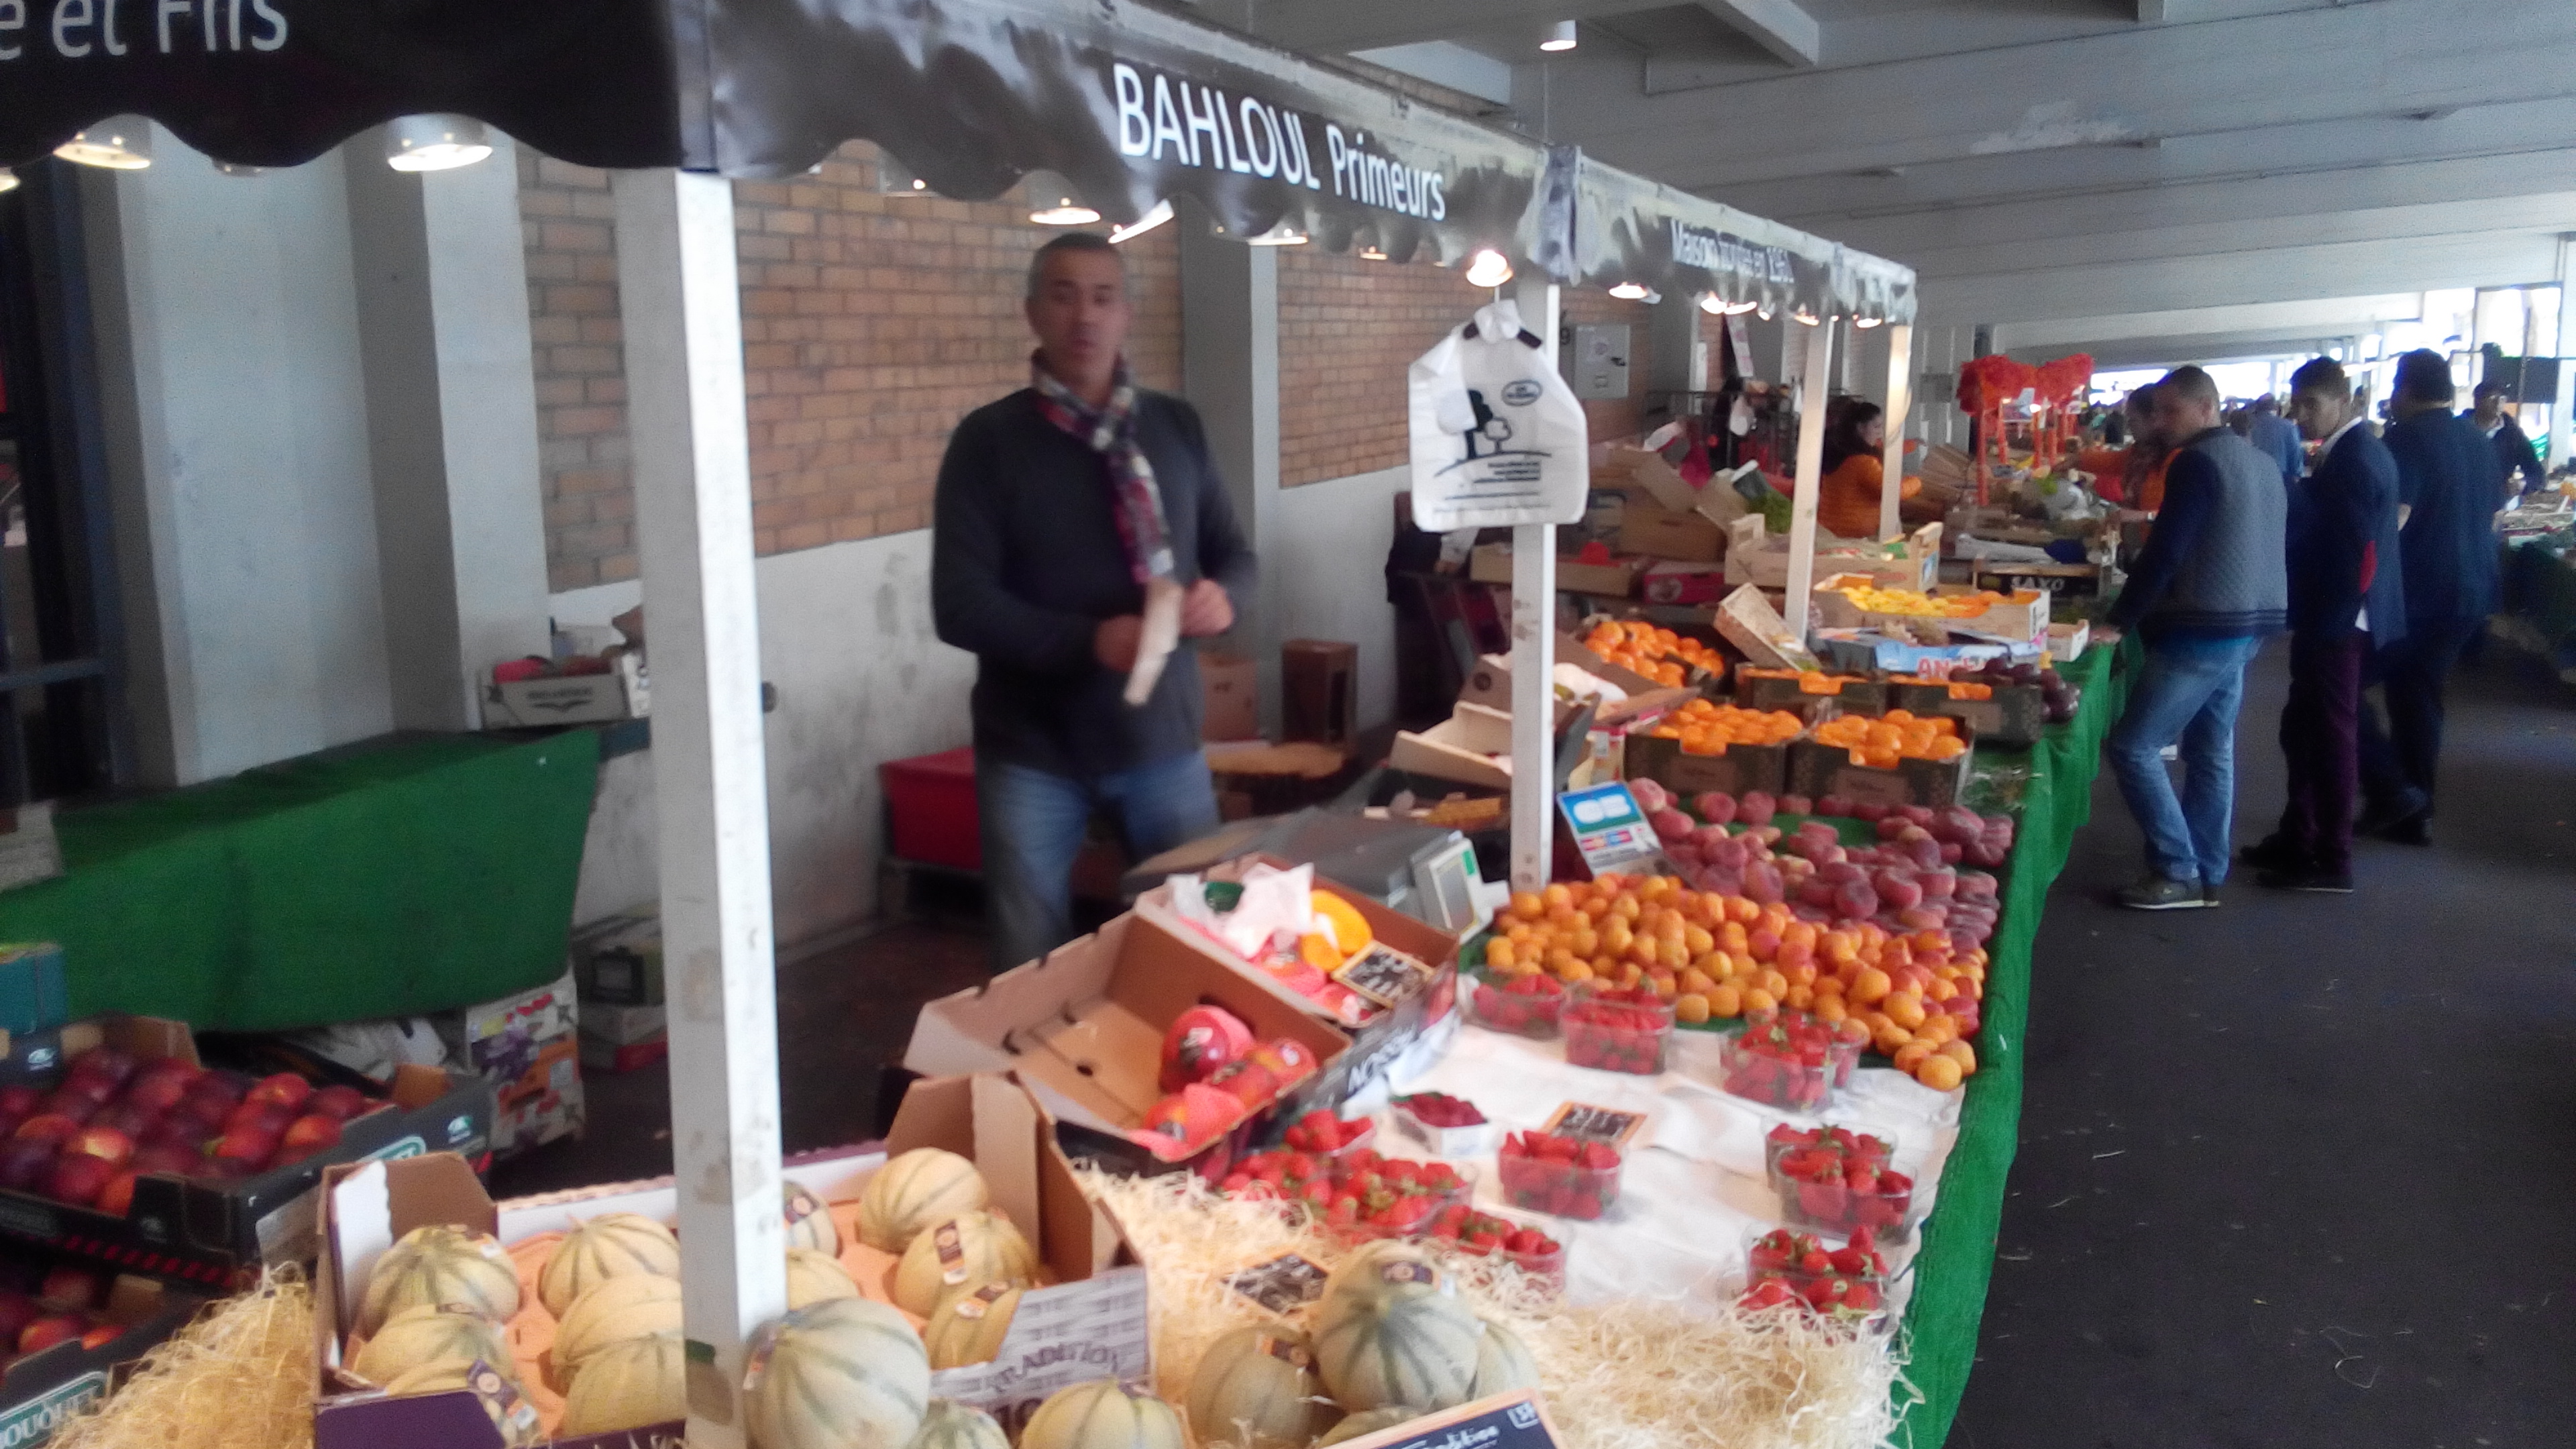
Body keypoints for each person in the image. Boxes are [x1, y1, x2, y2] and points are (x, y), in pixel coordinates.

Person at [933, 233, 1257, 972]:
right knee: (1028, 964)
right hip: (1032, 757)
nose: (1085, 315)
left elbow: (1237, 555)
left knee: (1196, 949)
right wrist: (1090, 641)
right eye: (1064, 294)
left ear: (1126, 314)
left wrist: (1226, 599)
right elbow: (959, 605)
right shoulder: (988, 444)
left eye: (1103, 297)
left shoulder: (1177, 427)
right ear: (1032, 314)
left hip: (1162, 747)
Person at [2096, 366, 2289, 910]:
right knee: (2211, 749)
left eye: (2170, 411)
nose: (2159, 421)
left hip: (2205, 626)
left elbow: (2167, 551)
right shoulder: (2262, 463)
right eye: (2155, 411)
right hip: (2252, 625)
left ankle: (2177, 868)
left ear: (2208, 407)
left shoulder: (2197, 464)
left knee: (2134, 746)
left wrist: (2119, 621)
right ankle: (2208, 868)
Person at [2241, 359, 2405, 892]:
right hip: (2333, 617)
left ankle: (2331, 857)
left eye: (2312, 403)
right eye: (2298, 402)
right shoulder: (2352, 453)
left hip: (2339, 623)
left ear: (2345, 402)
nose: (2301, 414)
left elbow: (2358, 556)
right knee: (2303, 730)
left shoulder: (2355, 460)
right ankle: (2300, 835)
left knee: (2331, 737)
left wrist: (2327, 626)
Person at [2352, 350, 2503, 845]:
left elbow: (2395, 515)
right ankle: (2414, 810)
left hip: (2419, 591)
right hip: (2471, 591)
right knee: (2420, 699)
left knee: (2338, 687)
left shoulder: (2407, 437)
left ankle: (2395, 790)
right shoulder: (2477, 440)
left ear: (2403, 389)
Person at [1816, 400, 1934, 539]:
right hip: (1854, 536)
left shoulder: (1838, 454)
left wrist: (1912, 445)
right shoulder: (1863, 462)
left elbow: (1886, 448)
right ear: (1860, 428)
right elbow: (1894, 492)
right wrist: (1917, 481)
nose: (1880, 432)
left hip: (1830, 532)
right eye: (1876, 426)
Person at [2471, 379, 2548, 496]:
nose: (2498, 404)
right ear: (2477, 401)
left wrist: (2523, 484)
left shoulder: (2513, 434)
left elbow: (2536, 472)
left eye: (2502, 399)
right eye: (2492, 399)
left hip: (2498, 502)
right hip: (2462, 500)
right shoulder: (2461, 430)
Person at [2245, 393, 2306, 488]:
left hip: (2249, 483)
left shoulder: (2246, 426)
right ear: (2276, 407)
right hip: (2281, 484)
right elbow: (2296, 462)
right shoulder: (2289, 427)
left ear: (2257, 406)